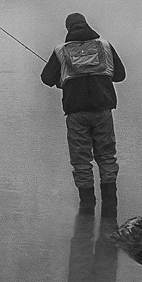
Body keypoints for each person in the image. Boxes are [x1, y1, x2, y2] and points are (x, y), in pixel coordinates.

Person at [39, 12, 126, 214]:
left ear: (68, 29)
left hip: (76, 114)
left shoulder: (61, 51)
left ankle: (86, 210)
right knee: (107, 156)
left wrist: (63, 80)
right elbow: (120, 75)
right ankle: (110, 208)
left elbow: (46, 78)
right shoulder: (105, 46)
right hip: (103, 111)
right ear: (87, 25)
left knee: (81, 160)